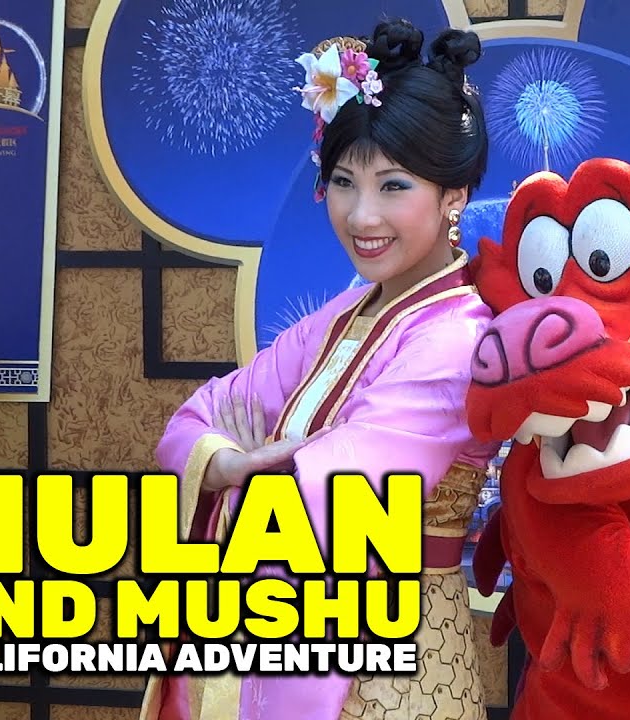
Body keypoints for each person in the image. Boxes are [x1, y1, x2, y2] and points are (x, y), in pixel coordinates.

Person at [137, 18, 500, 720]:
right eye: (343, 182)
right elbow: (199, 417)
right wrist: (225, 462)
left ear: (454, 194)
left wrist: (258, 470)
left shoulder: (460, 338)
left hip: (401, 665)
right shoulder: (342, 316)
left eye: (393, 186)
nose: (361, 216)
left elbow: (336, 493)